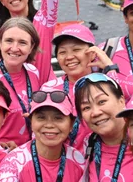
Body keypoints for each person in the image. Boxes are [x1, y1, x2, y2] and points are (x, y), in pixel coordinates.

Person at [39, 25, 115, 153]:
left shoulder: (106, 84)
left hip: (101, 160)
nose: (69, 57)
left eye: (76, 49)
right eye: (62, 52)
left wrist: (110, 68)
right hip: (64, 161)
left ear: (92, 54)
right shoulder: (49, 89)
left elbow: (120, 117)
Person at [0, 17, 42, 146]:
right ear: (0, 43)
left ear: (32, 47)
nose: (14, 48)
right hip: (2, 154)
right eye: (9, 41)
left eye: (22, 43)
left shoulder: (33, 72)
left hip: (31, 152)